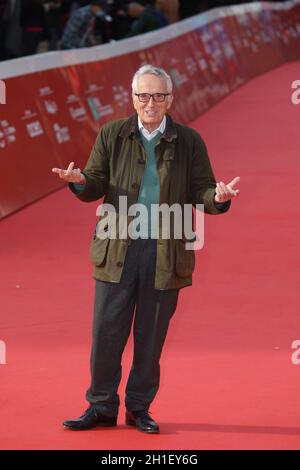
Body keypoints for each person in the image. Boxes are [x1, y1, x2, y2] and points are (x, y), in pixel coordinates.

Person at [52, 64, 240, 434]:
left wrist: (217, 197)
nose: (150, 103)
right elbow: (95, 183)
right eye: (143, 95)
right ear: (133, 98)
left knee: (150, 338)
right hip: (117, 247)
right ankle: (101, 405)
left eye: (158, 96)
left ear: (170, 99)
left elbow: (201, 190)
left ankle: (139, 408)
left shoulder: (189, 141)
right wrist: (79, 182)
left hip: (166, 252)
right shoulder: (112, 134)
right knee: (106, 333)